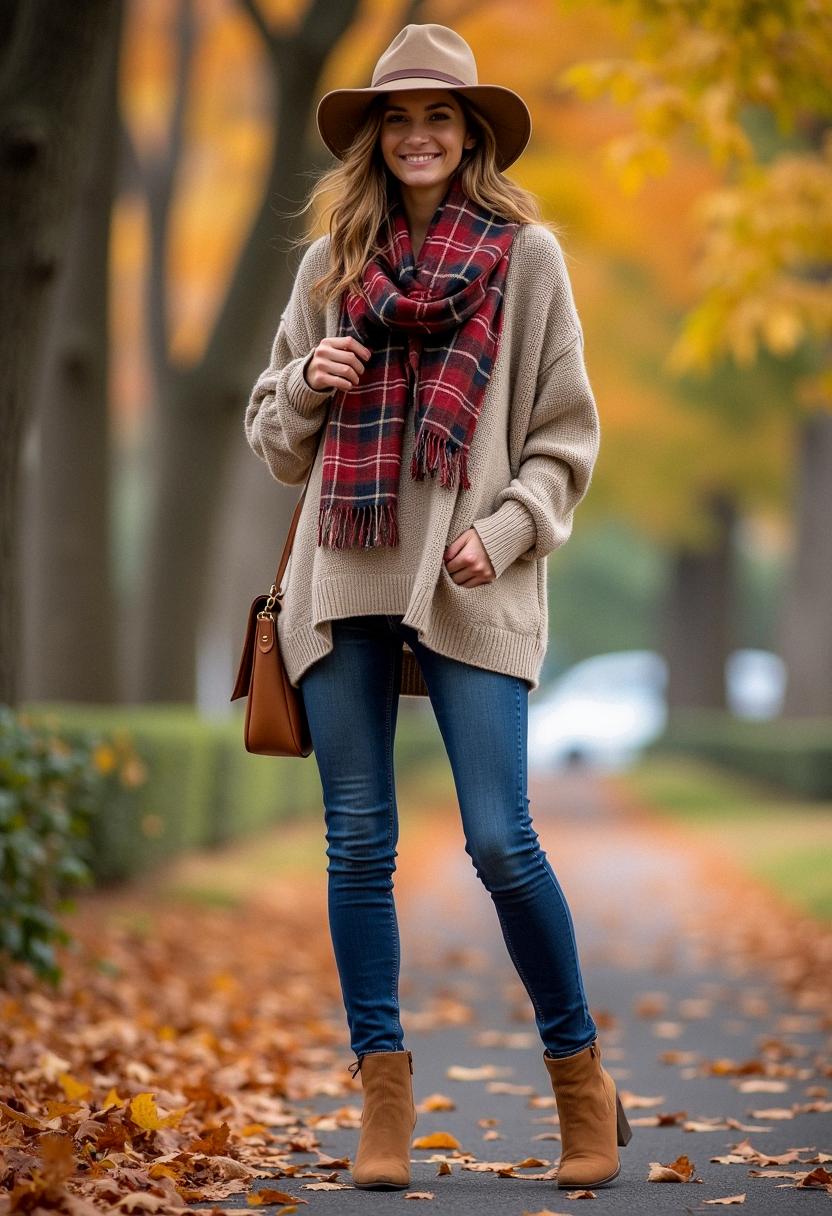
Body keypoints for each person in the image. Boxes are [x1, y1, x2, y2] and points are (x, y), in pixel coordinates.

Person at [244, 22, 631, 1194]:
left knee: (501, 838)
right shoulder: (330, 267)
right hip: (343, 573)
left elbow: (565, 436)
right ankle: (382, 1094)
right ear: (375, 138)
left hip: (471, 574)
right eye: (398, 118)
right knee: (359, 841)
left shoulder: (527, 260)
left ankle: (579, 1075)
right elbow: (274, 438)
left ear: (469, 137)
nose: (417, 136)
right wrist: (305, 383)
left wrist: (503, 530)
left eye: (439, 118)